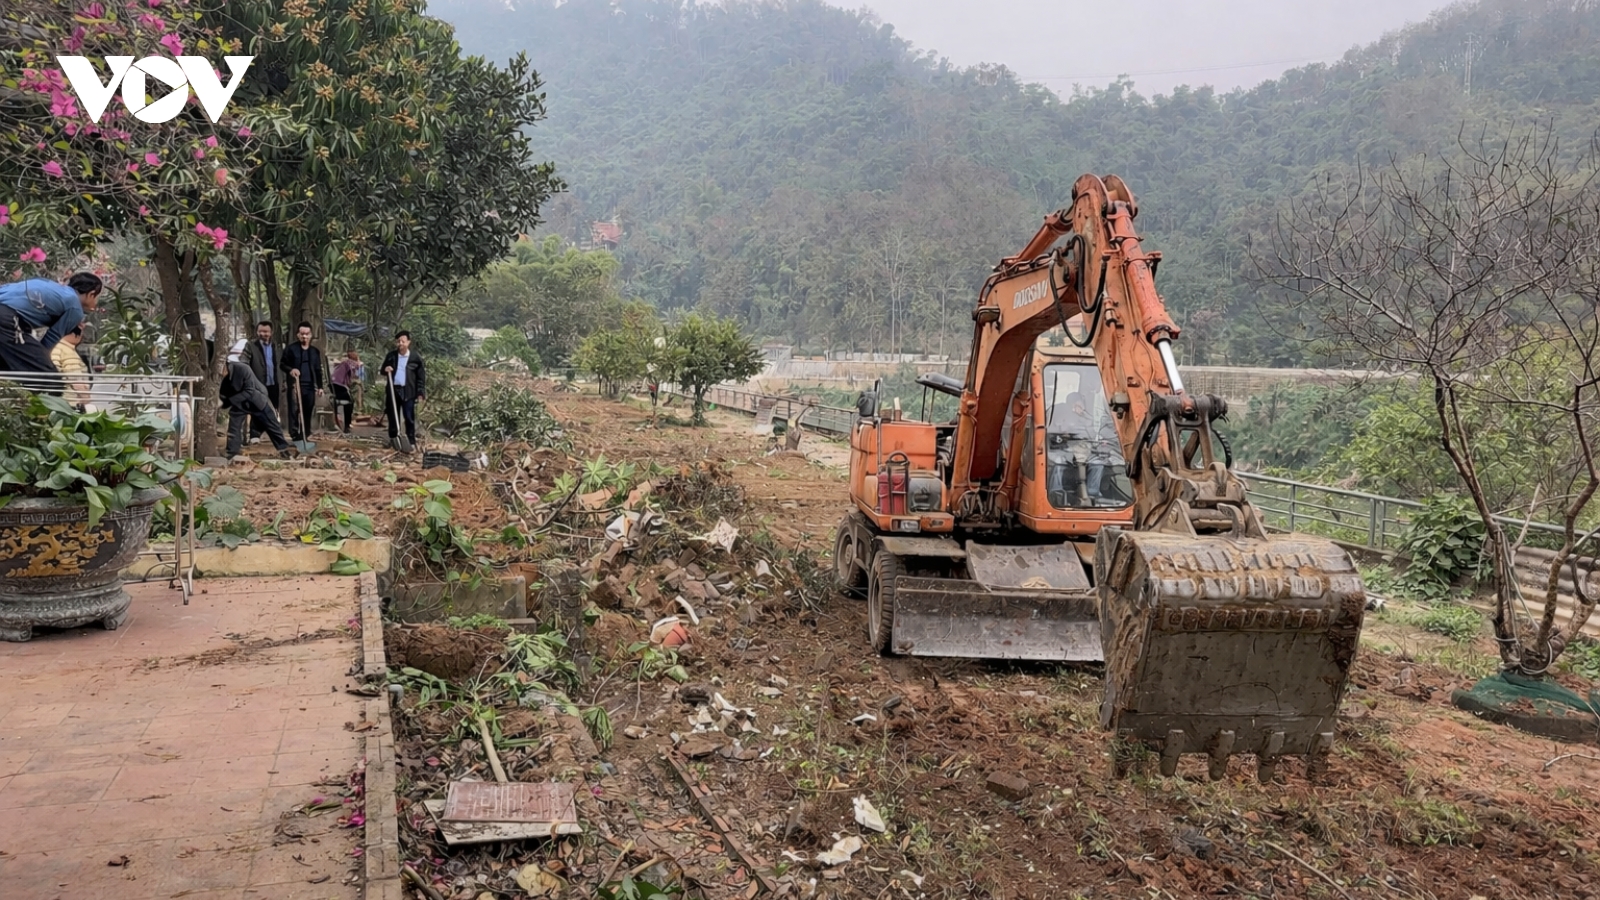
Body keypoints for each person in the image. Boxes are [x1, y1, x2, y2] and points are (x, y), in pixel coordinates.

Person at [0, 272, 102, 386]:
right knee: (50, 379)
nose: (96, 302)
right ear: (91, 294)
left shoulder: (50, 285)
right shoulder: (75, 307)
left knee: (7, 366)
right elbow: (51, 338)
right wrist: (42, 361)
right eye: (97, 297)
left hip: (8, 317)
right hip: (7, 320)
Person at [223, 340, 295, 459]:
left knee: (271, 424)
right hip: (241, 402)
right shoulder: (225, 374)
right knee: (234, 425)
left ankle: (284, 449)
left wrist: (232, 399)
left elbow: (250, 390)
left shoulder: (242, 369)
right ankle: (232, 453)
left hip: (256, 399)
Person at [280, 321, 324, 441]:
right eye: (302, 334)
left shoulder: (315, 351)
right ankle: (294, 434)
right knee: (294, 410)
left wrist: (320, 386)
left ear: (311, 335)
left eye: (307, 334)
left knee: (308, 410)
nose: (304, 336)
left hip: (309, 385)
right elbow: (282, 364)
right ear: (297, 334)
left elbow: (318, 369)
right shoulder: (291, 349)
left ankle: (305, 434)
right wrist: (291, 370)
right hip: (295, 384)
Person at [381, 330, 426, 449]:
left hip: (409, 391)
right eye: (398, 341)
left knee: (409, 417)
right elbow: (382, 370)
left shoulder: (415, 358)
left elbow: (421, 377)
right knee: (392, 416)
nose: (400, 343)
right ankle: (393, 439)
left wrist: (420, 392)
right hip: (393, 390)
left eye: (403, 341)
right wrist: (386, 369)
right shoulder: (391, 356)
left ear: (408, 342)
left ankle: (411, 441)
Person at [242, 321, 282, 441]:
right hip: (258, 384)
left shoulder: (277, 347)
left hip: (274, 383)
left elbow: (280, 364)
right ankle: (254, 434)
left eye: (266, 332)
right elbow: (244, 362)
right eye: (260, 331)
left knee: (272, 410)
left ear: (271, 333)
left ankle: (261, 432)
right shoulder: (250, 346)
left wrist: (283, 380)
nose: (263, 334)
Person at [48, 325, 92, 409]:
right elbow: (77, 382)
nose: (81, 336)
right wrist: (86, 403)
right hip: (70, 403)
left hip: (56, 402)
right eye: (80, 331)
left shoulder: (54, 347)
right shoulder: (68, 352)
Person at [330, 347, 365, 434]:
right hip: (339, 385)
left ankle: (345, 423)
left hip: (333, 385)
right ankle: (347, 426)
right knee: (349, 403)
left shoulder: (342, 363)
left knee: (348, 401)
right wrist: (359, 363)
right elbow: (358, 368)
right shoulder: (348, 362)